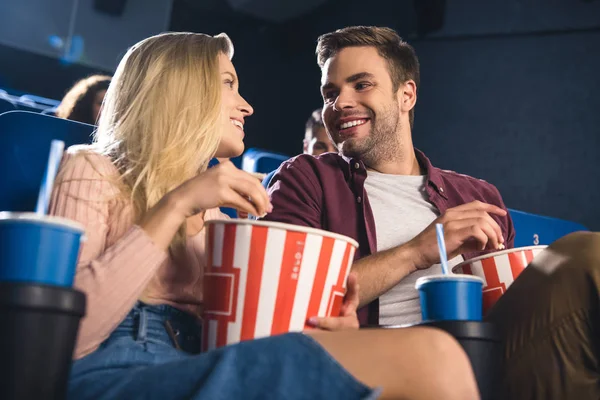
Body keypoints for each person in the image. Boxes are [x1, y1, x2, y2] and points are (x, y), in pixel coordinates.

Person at [50, 32, 479, 400]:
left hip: (206, 364)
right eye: (228, 84)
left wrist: (330, 327)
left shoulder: (219, 216)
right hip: (117, 373)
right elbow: (66, 336)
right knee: (433, 355)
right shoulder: (92, 168)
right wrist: (175, 205)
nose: (247, 106)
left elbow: (255, 339)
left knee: (428, 363)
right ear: (181, 89)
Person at [264, 25, 600, 399]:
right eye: (330, 92)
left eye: (360, 85)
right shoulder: (307, 179)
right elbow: (284, 302)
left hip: (484, 358)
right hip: (379, 369)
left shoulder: (476, 196)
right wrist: (417, 250)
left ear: (406, 94)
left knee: (589, 258)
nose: (339, 102)